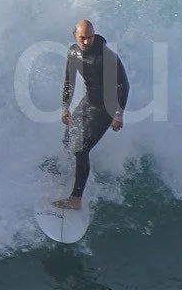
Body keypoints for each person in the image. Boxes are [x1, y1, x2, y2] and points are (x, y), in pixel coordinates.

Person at [54, 18, 128, 210]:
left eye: (90, 37)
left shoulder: (106, 56)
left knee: (81, 149)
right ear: (75, 36)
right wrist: (65, 107)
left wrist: (118, 114)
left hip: (107, 108)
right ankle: (69, 172)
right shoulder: (73, 52)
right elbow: (69, 82)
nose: (87, 42)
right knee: (68, 138)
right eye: (82, 38)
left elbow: (123, 85)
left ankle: (75, 199)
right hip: (89, 101)